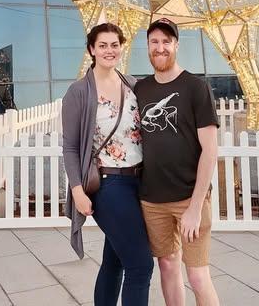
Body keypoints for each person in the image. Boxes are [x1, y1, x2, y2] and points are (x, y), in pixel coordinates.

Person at [62, 22, 154, 306]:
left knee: (115, 261)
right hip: (108, 185)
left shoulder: (133, 85)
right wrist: (77, 190)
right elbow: (70, 147)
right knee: (140, 265)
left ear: (121, 47)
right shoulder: (79, 92)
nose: (109, 50)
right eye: (102, 45)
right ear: (92, 49)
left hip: (139, 181)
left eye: (114, 45)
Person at [135, 18, 220, 306]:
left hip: (189, 198)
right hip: (152, 200)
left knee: (197, 276)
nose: (160, 48)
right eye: (154, 42)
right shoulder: (141, 89)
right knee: (168, 266)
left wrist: (195, 207)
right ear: (148, 46)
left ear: (176, 45)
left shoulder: (196, 87)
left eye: (166, 41)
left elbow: (210, 150)